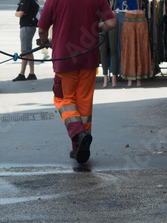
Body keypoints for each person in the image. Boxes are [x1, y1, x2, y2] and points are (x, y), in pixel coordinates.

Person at [37, 0, 117, 163]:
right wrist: (97, 28)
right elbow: (112, 22)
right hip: (88, 59)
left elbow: (42, 29)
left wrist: (46, 41)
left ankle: (79, 135)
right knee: (84, 104)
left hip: (64, 59)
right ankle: (81, 146)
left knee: (63, 100)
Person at [13, 0, 40, 81]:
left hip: (26, 26)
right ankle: (31, 73)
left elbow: (19, 13)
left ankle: (22, 74)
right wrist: (19, 13)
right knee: (28, 50)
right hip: (30, 26)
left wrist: (18, 13)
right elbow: (19, 13)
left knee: (24, 51)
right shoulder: (31, 1)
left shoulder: (26, 1)